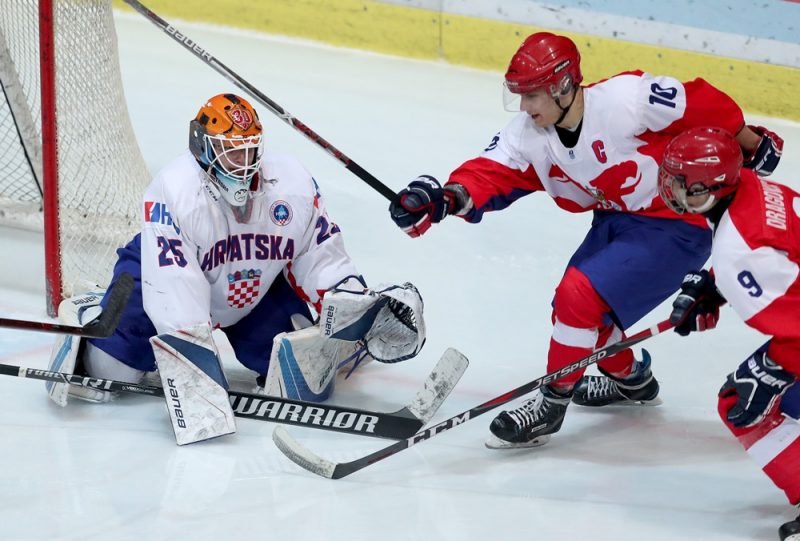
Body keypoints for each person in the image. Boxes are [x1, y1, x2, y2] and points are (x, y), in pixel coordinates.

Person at [388, 32, 784, 449]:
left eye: (533, 95)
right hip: (615, 218)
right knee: (573, 314)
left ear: (562, 85)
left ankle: (550, 403)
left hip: (677, 221)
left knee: (579, 295)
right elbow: (488, 173)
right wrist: (440, 199)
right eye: (519, 96)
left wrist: (751, 143)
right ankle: (632, 380)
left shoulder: (626, 100)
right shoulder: (528, 134)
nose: (524, 107)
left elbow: (702, 102)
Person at [46, 93, 425, 445]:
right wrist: (194, 363)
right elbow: (173, 286)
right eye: (230, 154)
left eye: (249, 152)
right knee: (109, 375)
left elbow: (320, 252)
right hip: (155, 278)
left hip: (253, 285)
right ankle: (93, 307)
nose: (243, 165)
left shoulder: (290, 183)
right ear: (204, 149)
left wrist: (357, 308)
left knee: (301, 381)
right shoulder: (175, 189)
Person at [657, 126, 799, 541]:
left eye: (680, 182)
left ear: (709, 187)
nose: (669, 188)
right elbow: (778, 246)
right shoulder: (753, 186)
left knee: (742, 401)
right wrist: (712, 284)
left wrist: (772, 371)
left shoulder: (741, 253)